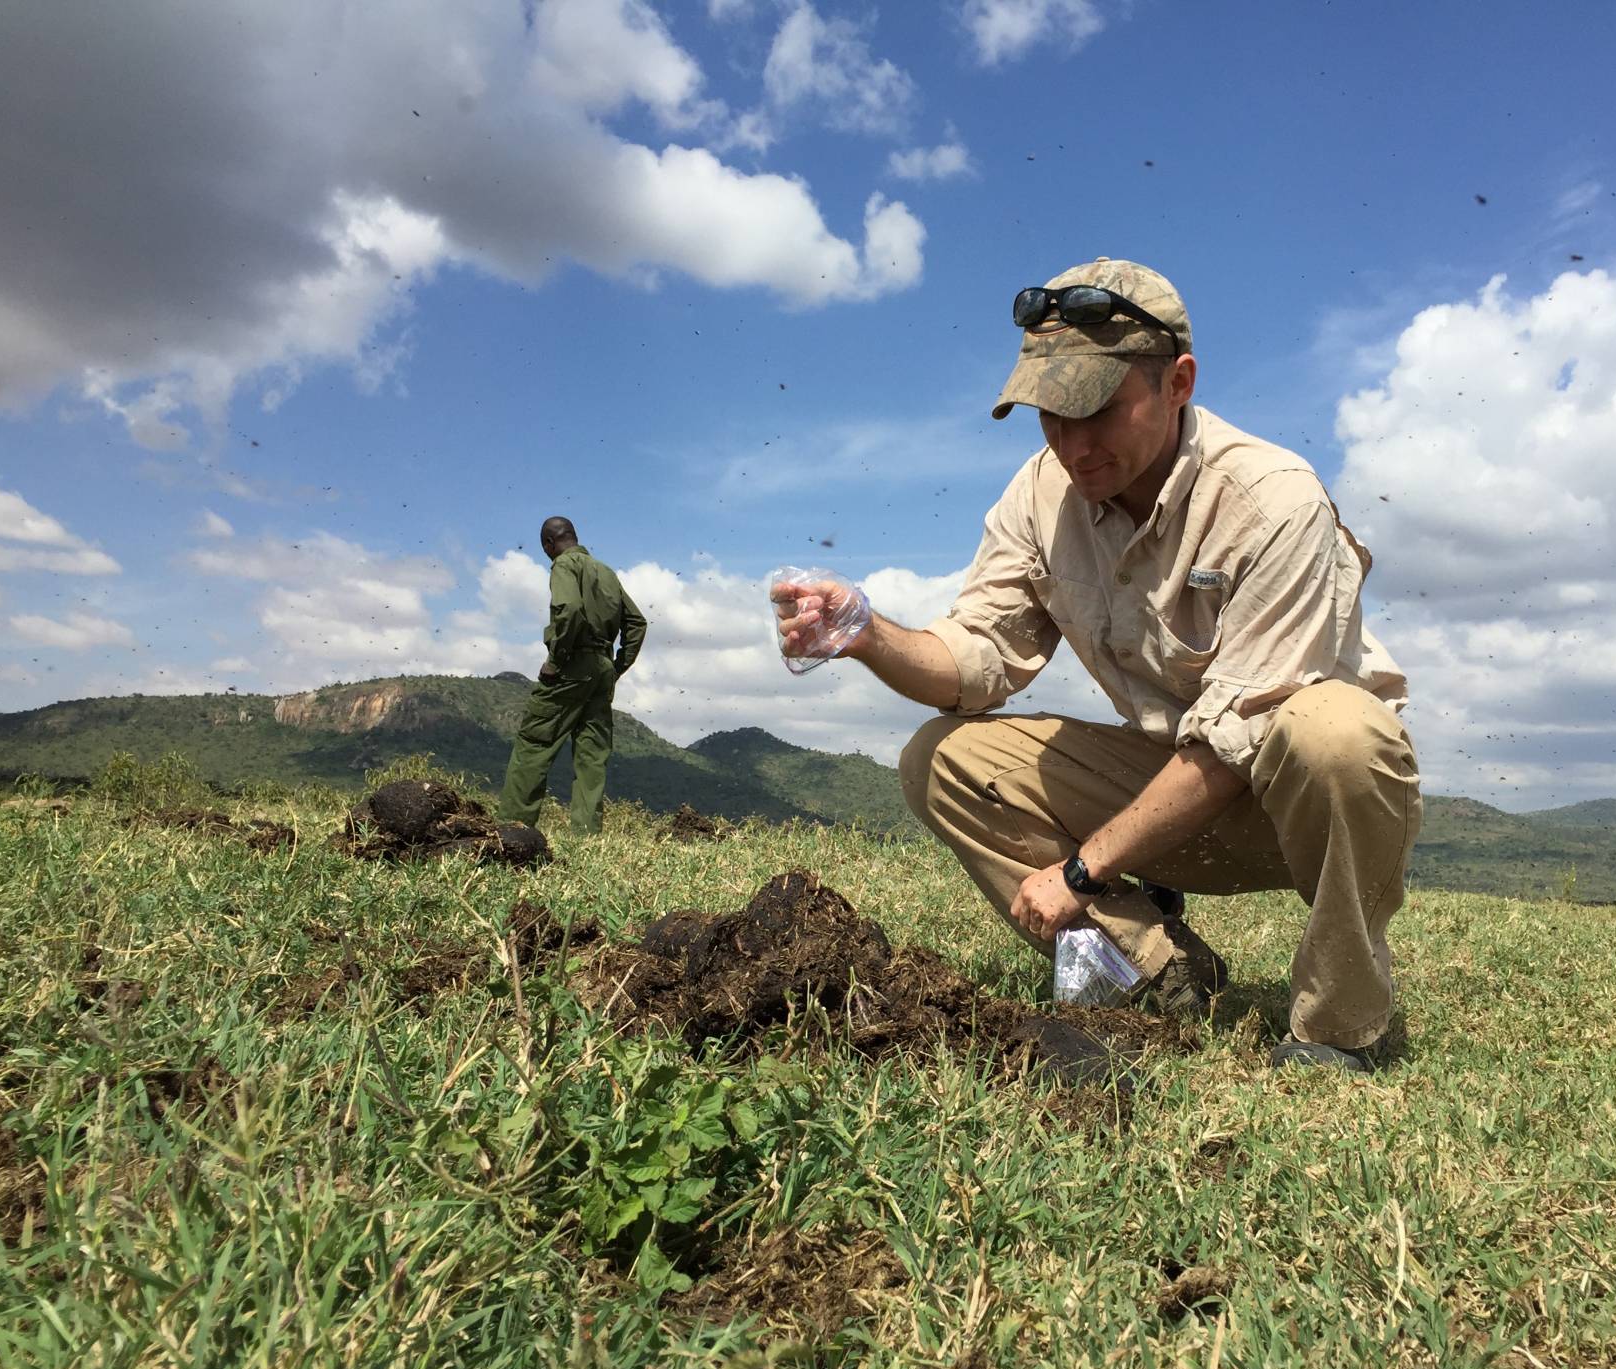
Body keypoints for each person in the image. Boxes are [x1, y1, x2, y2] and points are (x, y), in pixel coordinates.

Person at [771, 259, 1419, 1070]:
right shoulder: (1041, 494)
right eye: (1050, 414)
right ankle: (1158, 968)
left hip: (1301, 809)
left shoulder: (1273, 498)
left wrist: (1081, 869)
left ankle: (1336, 1031)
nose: (1073, 444)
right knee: (942, 759)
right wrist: (868, 634)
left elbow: (1238, 736)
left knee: (1336, 732)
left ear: (1178, 382)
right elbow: (974, 660)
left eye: (1099, 410)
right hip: (1172, 779)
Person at [499, 516, 648, 835]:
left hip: (572, 664)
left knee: (534, 742)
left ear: (548, 545)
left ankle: (512, 830)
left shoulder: (564, 566)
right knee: (592, 753)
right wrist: (616, 667)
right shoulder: (605, 572)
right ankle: (586, 835)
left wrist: (556, 659)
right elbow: (636, 623)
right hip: (601, 666)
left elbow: (569, 609)